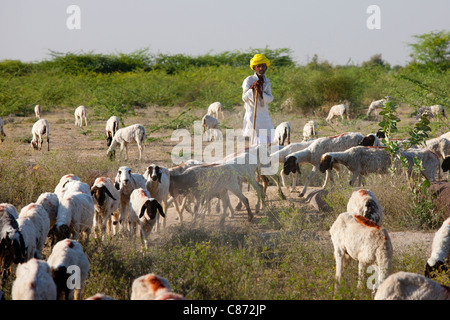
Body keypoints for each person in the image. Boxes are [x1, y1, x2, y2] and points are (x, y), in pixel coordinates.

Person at [242, 53, 274, 145]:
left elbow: (270, 98)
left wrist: (260, 92)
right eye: (259, 66)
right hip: (253, 115)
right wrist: (252, 88)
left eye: (263, 66)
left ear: (266, 67)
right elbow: (244, 98)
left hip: (264, 115)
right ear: (254, 68)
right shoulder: (249, 80)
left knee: (269, 140)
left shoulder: (267, 81)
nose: (261, 68)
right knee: (257, 141)